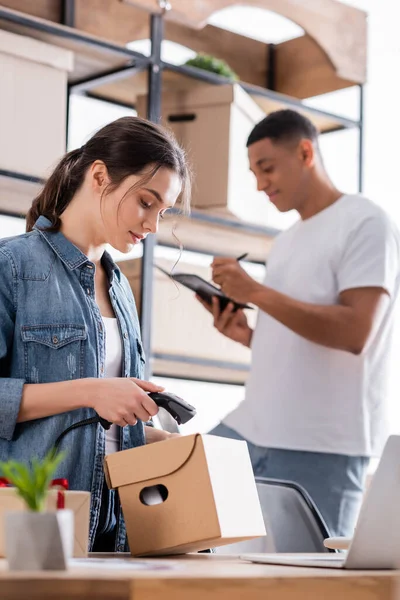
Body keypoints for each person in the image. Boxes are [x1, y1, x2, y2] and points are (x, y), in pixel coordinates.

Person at [197, 109, 400, 537]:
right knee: (181, 506)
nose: (260, 184)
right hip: (253, 426)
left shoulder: (365, 222)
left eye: (267, 168)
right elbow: (298, 337)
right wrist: (250, 336)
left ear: (306, 152)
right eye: (253, 172)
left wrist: (253, 292)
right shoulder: (287, 241)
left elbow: (354, 333)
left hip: (321, 443)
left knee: (307, 582)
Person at [0, 116, 190, 552]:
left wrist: (164, 439)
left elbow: (104, 431)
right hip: (36, 525)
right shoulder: (12, 266)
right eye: (146, 202)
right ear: (100, 176)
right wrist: (92, 391)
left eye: (163, 212)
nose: (153, 225)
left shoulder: (120, 286)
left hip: (117, 530)